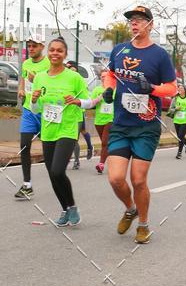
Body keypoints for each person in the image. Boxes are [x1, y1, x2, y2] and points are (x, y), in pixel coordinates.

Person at [104, 5, 177, 244]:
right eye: (132, 20)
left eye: (140, 20)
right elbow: (109, 74)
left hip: (146, 126)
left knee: (138, 179)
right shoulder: (119, 50)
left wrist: (153, 88)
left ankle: (143, 224)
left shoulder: (159, 55)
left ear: (150, 25)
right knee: (115, 178)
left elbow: (172, 88)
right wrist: (108, 89)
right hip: (121, 124)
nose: (134, 23)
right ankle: (130, 209)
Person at [31, 37, 90, 226]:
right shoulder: (40, 78)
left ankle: (72, 206)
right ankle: (65, 209)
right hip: (48, 129)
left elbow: (88, 102)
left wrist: (77, 101)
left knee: (57, 171)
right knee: (52, 173)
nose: (55, 53)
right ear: (48, 52)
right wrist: (34, 100)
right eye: (52, 50)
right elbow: (36, 109)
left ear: (65, 54)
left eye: (59, 50)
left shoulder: (74, 78)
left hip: (68, 129)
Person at [14, 38, 50, 200]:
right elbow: (23, 80)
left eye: (34, 46)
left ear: (42, 46)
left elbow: (51, 85)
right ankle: (27, 185)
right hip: (29, 110)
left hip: (45, 112)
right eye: (29, 46)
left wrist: (36, 80)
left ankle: (57, 177)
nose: (31, 48)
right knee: (24, 145)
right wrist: (21, 90)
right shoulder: (26, 63)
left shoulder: (49, 63)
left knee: (49, 150)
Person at [90, 70, 114, 174]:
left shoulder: (114, 89)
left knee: (105, 142)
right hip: (99, 120)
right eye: (102, 76)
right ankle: (113, 158)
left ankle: (101, 164)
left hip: (111, 119)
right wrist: (99, 98)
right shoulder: (97, 89)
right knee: (106, 144)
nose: (104, 78)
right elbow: (91, 104)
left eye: (106, 76)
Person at [169, 84, 186, 158]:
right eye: (178, 88)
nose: (180, 90)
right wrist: (176, 109)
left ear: (185, 90)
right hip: (177, 120)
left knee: (180, 136)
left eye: (181, 88)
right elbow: (171, 109)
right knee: (180, 136)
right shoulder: (175, 98)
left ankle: (179, 153)